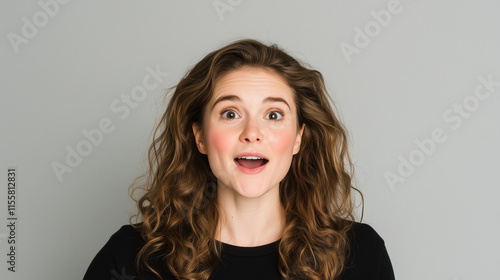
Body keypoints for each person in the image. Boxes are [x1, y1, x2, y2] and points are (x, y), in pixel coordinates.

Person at [83, 39, 395, 280]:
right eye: (230, 114)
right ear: (200, 137)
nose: (252, 133)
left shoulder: (361, 254)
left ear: (298, 137)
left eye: (273, 115)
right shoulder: (130, 256)